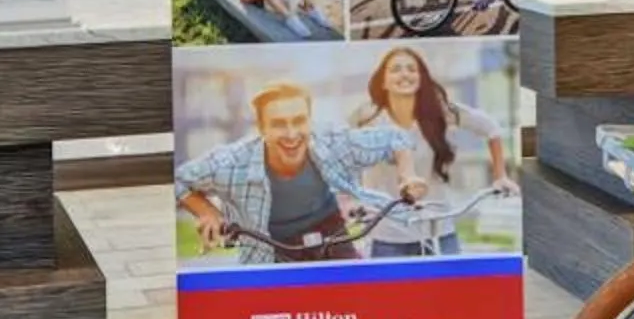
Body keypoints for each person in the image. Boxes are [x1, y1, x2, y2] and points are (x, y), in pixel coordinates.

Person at [177, 82, 425, 264]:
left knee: (357, 301)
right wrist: (207, 212)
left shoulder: (330, 141)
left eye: (299, 120)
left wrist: (407, 176)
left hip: (332, 236)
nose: (292, 133)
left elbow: (396, 137)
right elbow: (180, 179)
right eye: (278, 124)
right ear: (261, 128)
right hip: (272, 248)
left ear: (309, 120)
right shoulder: (233, 161)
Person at [353, 47, 515, 257]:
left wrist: (500, 176)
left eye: (412, 69)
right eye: (395, 69)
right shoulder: (372, 125)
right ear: (383, 82)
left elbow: (491, 128)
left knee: (452, 289)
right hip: (388, 236)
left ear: (421, 78)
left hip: (439, 229)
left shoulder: (441, 113)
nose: (404, 74)